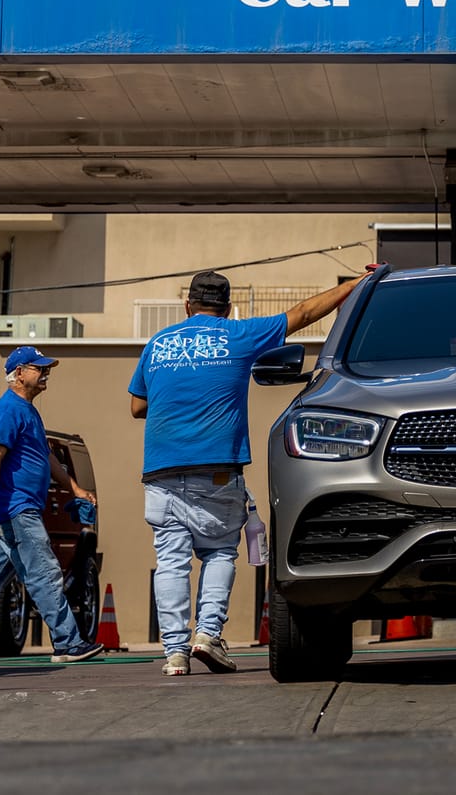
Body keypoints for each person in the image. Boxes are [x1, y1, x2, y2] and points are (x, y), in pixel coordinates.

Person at [129, 268, 365, 676]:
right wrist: (352, 286)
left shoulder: (158, 343)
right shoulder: (238, 335)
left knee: (170, 561)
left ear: (187, 306)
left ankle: (174, 654)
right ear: (228, 307)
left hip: (162, 472)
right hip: (216, 468)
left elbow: (136, 406)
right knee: (220, 550)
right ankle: (207, 635)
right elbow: (304, 313)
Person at [0, 347, 105, 665]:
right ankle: (68, 643)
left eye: (46, 368)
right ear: (19, 373)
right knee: (45, 572)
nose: (46, 373)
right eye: (39, 368)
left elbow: (48, 457)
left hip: (21, 509)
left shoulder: (28, 411)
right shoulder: (6, 411)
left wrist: (76, 488)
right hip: (18, 508)